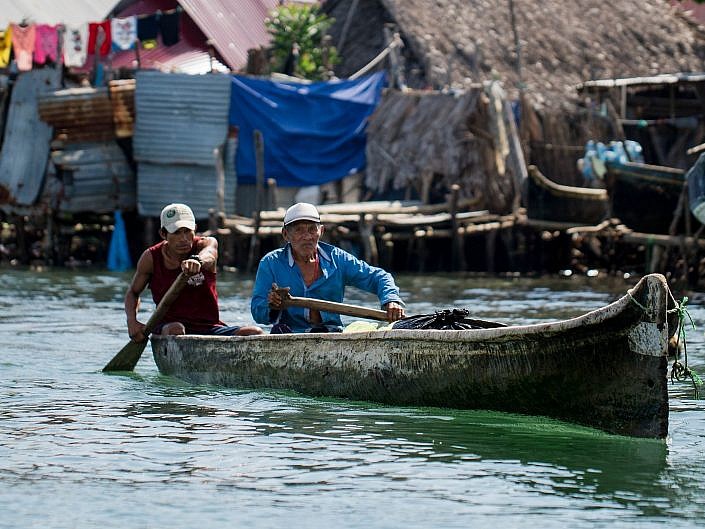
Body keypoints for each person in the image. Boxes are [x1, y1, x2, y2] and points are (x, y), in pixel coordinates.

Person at [251, 202, 405, 333]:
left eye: (312, 229)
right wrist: (272, 305)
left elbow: (378, 277)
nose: (307, 236)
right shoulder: (271, 263)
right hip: (288, 333)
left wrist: (391, 300)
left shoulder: (337, 259)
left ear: (321, 231)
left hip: (330, 333)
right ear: (285, 234)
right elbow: (258, 313)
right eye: (298, 230)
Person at [125, 203, 263, 342]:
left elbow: (210, 254)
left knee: (255, 332)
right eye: (177, 232)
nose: (183, 238)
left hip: (209, 328)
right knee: (177, 329)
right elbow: (133, 292)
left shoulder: (205, 244)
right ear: (163, 234)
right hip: (168, 327)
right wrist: (132, 321)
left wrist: (197, 261)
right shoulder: (151, 258)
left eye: (187, 231)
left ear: (195, 229)